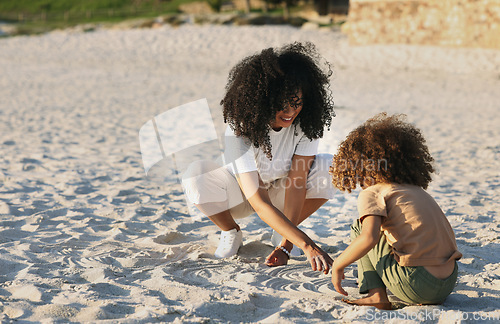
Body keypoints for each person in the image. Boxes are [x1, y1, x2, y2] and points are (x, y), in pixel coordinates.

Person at [182, 42, 336, 272]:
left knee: (331, 167)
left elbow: (297, 185)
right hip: (240, 195)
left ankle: (282, 231)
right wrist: (308, 245)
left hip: (281, 191)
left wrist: (287, 245)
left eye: (297, 103)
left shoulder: (306, 124)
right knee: (195, 174)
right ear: (263, 100)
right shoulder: (240, 126)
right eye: (282, 104)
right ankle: (231, 231)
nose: (290, 111)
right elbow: (258, 202)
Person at [329, 113, 462, 310]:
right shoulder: (416, 191)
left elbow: (368, 238)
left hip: (417, 284)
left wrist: (338, 265)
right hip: (448, 283)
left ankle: (376, 295)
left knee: (361, 228)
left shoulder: (373, 192)